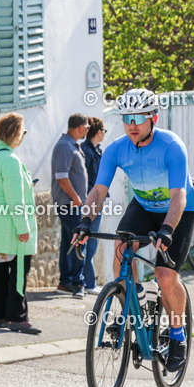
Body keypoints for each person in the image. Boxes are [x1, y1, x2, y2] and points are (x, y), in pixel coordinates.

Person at [73, 88, 194, 372]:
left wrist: (168, 229)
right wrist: (85, 222)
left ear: (152, 118)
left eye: (139, 118)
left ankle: (178, 336)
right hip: (144, 206)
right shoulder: (116, 149)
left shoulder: (171, 145)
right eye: (127, 117)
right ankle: (131, 304)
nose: (132, 124)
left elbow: (179, 194)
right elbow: (98, 190)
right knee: (122, 249)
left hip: (180, 207)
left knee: (165, 275)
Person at [0, 113, 40, 335]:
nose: (23, 136)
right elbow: (15, 199)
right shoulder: (11, 160)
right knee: (20, 270)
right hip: (11, 226)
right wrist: (23, 228)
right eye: (23, 132)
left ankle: (0, 315)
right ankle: (17, 317)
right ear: (15, 133)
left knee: (0, 271)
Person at [52, 113, 89, 297]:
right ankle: (78, 284)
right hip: (69, 204)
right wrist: (75, 197)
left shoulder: (71, 145)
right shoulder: (64, 147)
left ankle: (66, 282)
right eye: (87, 127)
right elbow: (62, 177)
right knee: (79, 240)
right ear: (80, 128)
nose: (88, 130)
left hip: (72, 203)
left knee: (69, 241)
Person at [80, 117, 106, 292]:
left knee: (92, 243)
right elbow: (87, 180)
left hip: (98, 201)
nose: (104, 134)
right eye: (104, 131)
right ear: (98, 132)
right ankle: (88, 283)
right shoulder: (87, 152)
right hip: (91, 202)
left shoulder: (96, 150)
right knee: (89, 242)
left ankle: (88, 282)